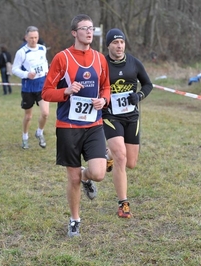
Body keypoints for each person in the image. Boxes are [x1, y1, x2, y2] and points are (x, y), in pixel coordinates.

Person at [42, 14, 111, 237]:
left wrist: (104, 100)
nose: (89, 32)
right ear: (74, 33)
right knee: (71, 179)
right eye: (84, 28)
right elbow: (46, 92)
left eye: (91, 28)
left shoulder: (100, 59)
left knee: (99, 173)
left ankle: (86, 177)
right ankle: (74, 220)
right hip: (68, 127)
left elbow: (106, 88)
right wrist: (66, 91)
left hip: (94, 125)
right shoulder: (62, 58)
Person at [102, 28, 153, 218]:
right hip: (110, 115)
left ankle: (107, 154)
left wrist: (139, 95)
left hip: (131, 117)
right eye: (115, 42)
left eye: (122, 42)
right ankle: (123, 204)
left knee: (130, 163)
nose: (119, 45)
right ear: (108, 45)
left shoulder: (134, 63)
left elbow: (148, 84)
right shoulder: (101, 63)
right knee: (121, 157)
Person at [12, 26, 49, 149]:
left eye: (36, 38)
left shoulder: (42, 49)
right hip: (28, 87)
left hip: (42, 86)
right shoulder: (21, 52)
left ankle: (39, 132)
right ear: (26, 37)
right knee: (28, 116)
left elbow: (44, 63)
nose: (34, 40)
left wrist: (47, 72)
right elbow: (14, 69)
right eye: (31, 38)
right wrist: (26, 74)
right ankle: (25, 137)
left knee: (45, 113)